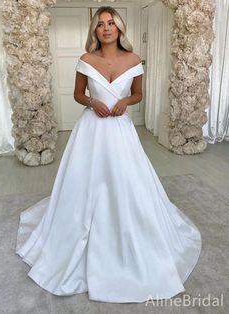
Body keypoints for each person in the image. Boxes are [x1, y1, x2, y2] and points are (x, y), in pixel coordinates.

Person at [15, 6, 202, 303]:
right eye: (100, 24)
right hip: (92, 131)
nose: (106, 28)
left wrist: (126, 100)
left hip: (120, 131)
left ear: (119, 29)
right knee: (84, 185)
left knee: (128, 182)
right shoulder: (86, 60)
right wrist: (91, 103)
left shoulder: (133, 60)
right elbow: (78, 94)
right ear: (95, 30)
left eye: (111, 23)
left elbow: (138, 93)